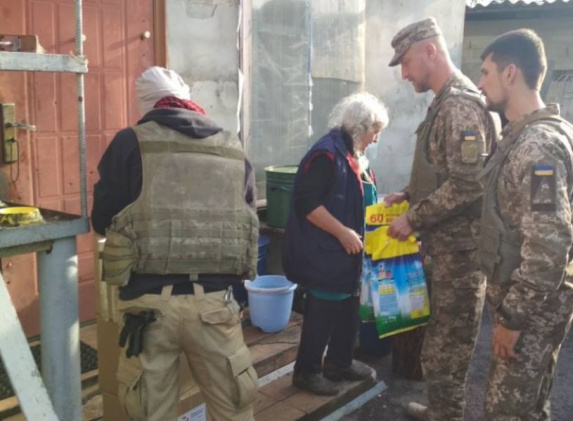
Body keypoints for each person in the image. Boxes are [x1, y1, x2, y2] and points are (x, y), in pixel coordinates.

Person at [92, 66, 260, 421]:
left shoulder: (129, 141)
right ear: (187, 100)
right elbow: (247, 217)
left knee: (149, 413)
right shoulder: (232, 146)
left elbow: (103, 219)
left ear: (148, 106)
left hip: (147, 309)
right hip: (217, 305)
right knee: (235, 411)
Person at [385, 17, 499, 421]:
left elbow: (469, 184)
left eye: (407, 61)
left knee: (448, 351)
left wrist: (413, 218)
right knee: (438, 348)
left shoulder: (461, 106)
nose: (404, 73)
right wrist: (410, 193)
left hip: (461, 257)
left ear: (430, 51)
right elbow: (444, 170)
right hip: (445, 251)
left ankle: (445, 415)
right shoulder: (445, 104)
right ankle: (439, 411)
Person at [476, 29, 573, 420]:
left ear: (511, 74)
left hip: (532, 312)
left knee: (507, 411)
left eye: (485, 72)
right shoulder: (535, 135)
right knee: (531, 406)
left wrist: (513, 319)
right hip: (538, 305)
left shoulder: (537, 146)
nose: (480, 83)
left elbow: (548, 245)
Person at [283, 92, 389, 396]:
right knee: (322, 310)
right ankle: (307, 371)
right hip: (327, 252)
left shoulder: (355, 156)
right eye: (375, 131)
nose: (377, 139)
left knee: (348, 308)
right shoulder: (326, 155)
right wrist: (342, 231)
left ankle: (340, 362)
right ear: (360, 127)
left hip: (350, 254)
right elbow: (306, 203)